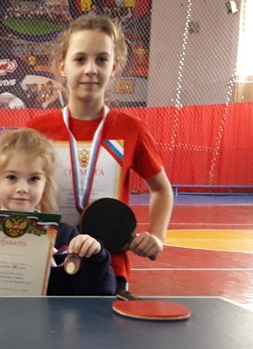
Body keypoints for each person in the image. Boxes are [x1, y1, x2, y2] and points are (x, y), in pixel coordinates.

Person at [25, 12, 172, 299]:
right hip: (46, 266)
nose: (91, 69)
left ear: (114, 66)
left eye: (101, 59)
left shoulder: (132, 129)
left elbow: (161, 188)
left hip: (108, 270)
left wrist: (157, 236)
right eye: (80, 59)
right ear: (62, 66)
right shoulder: (36, 130)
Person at [0, 129, 115, 296]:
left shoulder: (66, 237)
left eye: (33, 179)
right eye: (11, 177)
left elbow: (102, 292)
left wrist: (95, 256)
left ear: (45, 184)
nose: (22, 188)